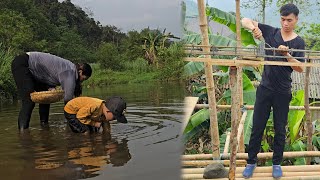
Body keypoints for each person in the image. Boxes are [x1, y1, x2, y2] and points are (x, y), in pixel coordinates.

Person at [241, 4, 305, 179]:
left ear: (296, 20)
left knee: (280, 129)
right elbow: (243, 20)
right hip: (265, 89)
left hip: (283, 92)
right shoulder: (271, 32)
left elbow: (300, 68)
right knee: (257, 127)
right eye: (283, 19)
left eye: (289, 20)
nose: (285, 23)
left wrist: (287, 55)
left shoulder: (299, 42)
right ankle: (251, 162)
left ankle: (277, 163)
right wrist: (255, 29)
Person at [11, 52, 92, 131]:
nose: (82, 82)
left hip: (37, 71)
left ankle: (44, 126)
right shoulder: (70, 72)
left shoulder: (69, 68)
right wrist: (75, 122)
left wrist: (51, 87)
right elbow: (68, 100)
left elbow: (50, 72)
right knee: (28, 100)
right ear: (80, 72)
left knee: (46, 99)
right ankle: (23, 134)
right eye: (83, 79)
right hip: (23, 64)